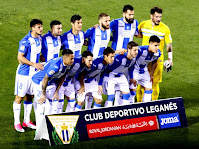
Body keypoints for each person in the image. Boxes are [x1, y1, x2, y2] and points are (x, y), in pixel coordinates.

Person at [136, 6, 173, 101]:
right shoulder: (143, 24)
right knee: (140, 83)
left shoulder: (165, 28)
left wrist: (170, 59)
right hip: (143, 59)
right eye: (157, 17)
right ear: (151, 16)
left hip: (157, 59)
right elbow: (138, 34)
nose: (159, 19)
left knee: (154, 83)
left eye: (160, 17)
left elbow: (169, 45)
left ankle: (153, 105)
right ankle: (140, 104)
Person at [32, 49, 74, 131]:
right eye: (71, 59)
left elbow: (62, 77)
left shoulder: (68, 64)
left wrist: (56, 92)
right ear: (65, 58)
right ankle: (38, 131)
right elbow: (45, 79)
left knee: (50, 105)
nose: (73, 60)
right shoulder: (56, 65)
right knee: (41, 105)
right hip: (39, 81)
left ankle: (46, 128)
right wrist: (43, 94)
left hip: (51, 83)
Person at [13, 19, 44, 132]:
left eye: (41, 27)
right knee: (19, 97)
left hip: (33, 74)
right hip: (24, 74)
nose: (41, 29)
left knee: (29, 96)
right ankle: (17, 123)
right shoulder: (25, 41)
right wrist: (34, 64)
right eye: (39, 27)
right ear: (33, 28)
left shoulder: (39, 39)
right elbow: (20, 57)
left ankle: (26, 121)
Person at [102, 41, 139, 107]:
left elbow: (131, 67)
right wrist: (104, 79)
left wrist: (131, 78)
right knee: (111, 96)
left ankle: (124, 111)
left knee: (126, 94)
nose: (136, 52)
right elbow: (107, 68)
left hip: (121, 75)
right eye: (134, 50)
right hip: (111, 76)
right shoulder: (120, 58)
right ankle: (108, 111)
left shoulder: (133, 59)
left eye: (137, 50)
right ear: (129, 50)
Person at [40, 20, 63, 115]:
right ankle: (40, 119)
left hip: (56, 70)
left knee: (53, 97)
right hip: (46, 70)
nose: (60, 30)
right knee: (42, 97)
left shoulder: (59, 38)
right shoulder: (44, 38)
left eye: (61, 28)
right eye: (58, 28)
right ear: (52, 29)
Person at [129, 35, 161, 102]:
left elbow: (155, 62)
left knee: (149, 90)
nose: (157, 48)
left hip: (144, 71)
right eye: (155, 45)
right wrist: (131, 77)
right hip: (135, 71)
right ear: (150, 44)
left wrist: (151, 75)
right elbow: (131, 63)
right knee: (132, 91)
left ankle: (145, 108)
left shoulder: (158, 53)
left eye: (158, 45)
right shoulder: (140, 50)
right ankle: (130, 108)